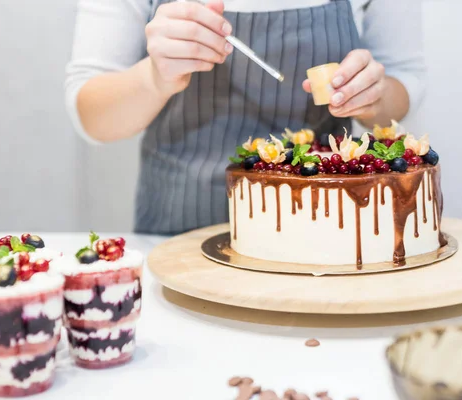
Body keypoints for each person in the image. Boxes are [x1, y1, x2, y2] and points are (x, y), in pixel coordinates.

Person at [65, 0, 425, 235]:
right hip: (179, 231)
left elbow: (404, 81)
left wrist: (373, 96)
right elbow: (93, 116)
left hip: (329, 232)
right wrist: (154, 78)